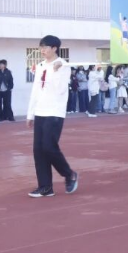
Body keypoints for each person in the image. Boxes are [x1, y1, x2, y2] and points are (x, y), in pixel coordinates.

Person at [26, 35, 79, 198]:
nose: (42, 50)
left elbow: (60, 90)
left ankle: (69, 174)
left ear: (54, 48)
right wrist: (30, 114)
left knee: (49, 147)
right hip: (40, 111)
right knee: (38, 150)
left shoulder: (63, 65)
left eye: (45, 47)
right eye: (41, 47)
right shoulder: (40, 66)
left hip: (55, 111)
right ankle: (45, 187)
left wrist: (56, 72)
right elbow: (36, 90)